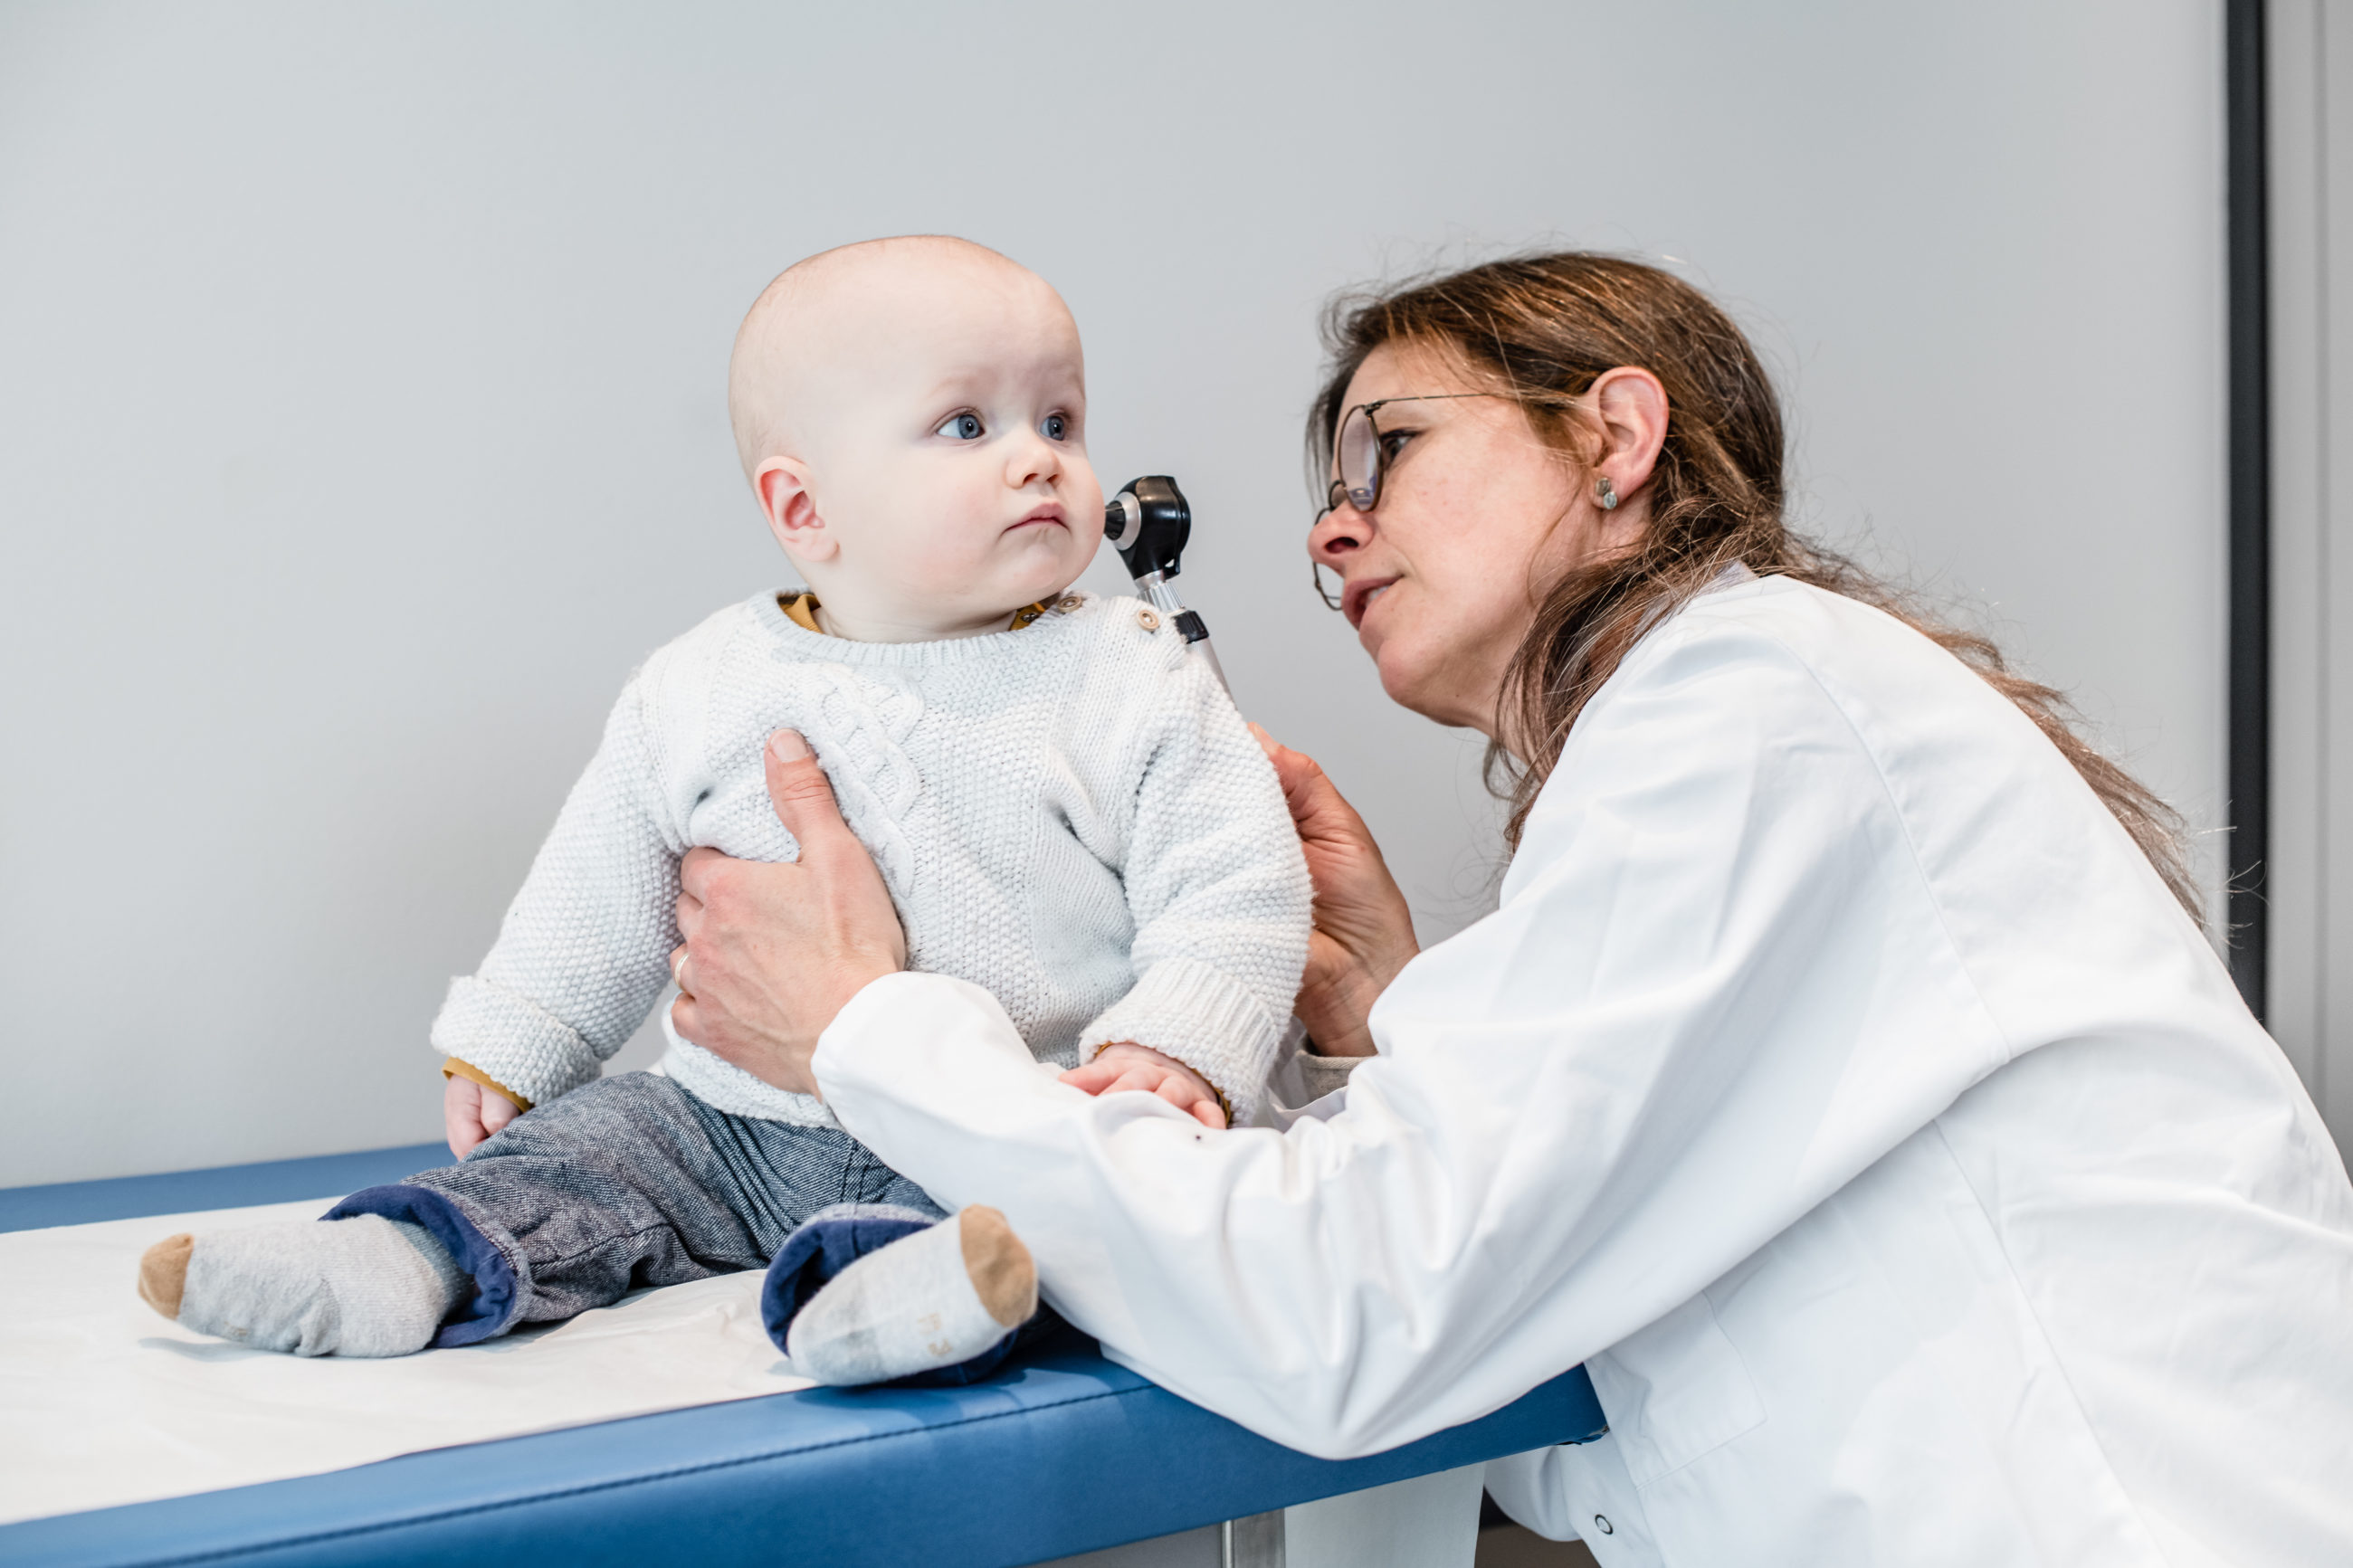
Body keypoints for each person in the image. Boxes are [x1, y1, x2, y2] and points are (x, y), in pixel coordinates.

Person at [662, 253, 2353, 1564]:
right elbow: (1601, 1330)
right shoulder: (1750, 726)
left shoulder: (1750, 704)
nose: (1332, 534)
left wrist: (864, 1029)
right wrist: (1395, 1011)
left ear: (1614, 438)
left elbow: (1358, 1314)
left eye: (1386, 452)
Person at [130, 236, 1310, 1383]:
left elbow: (1236, 879)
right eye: (969, 424)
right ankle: (402, 1256)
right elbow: (605, 872)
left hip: (992, 1116)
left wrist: (1175, 1044)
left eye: (1059, 420)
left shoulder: (1132, 672)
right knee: (587, 1147)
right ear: (805, 509)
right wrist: (522, 1030)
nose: (1039, 458)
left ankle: (886, 1300)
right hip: (725, 1120)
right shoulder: (703, 680)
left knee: (1020, 1224)